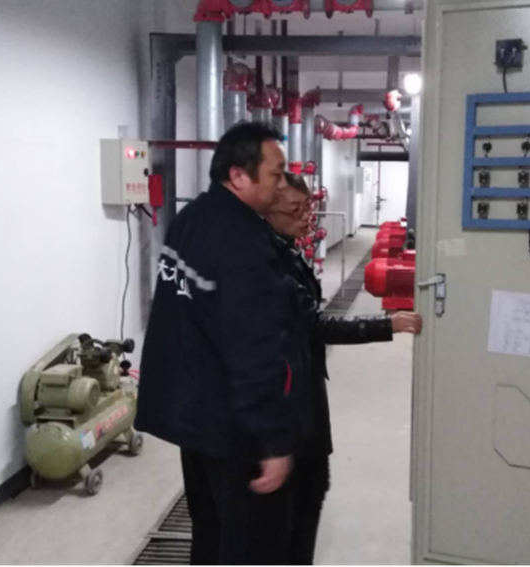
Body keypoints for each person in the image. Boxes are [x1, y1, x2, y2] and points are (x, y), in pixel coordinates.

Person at [135, 122, 300, 567]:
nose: (282, 184)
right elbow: (252, 349)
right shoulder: (243, 241)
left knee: (210, 532)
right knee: (251, 547)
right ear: (239, 175)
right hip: (234, 426)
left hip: (194, 418)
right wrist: (272, 442)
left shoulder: (191, 219)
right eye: (276, 174)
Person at [265, 172, 423, 566]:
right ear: (266, 210)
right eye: (295, 210)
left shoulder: (284, 251)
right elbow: (315, 325)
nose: (307, 217)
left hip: (302, 387)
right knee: (300, 498)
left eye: (309, 207)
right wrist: (386, 325)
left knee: (312, 490)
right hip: (287, 397)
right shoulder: (267, 262)